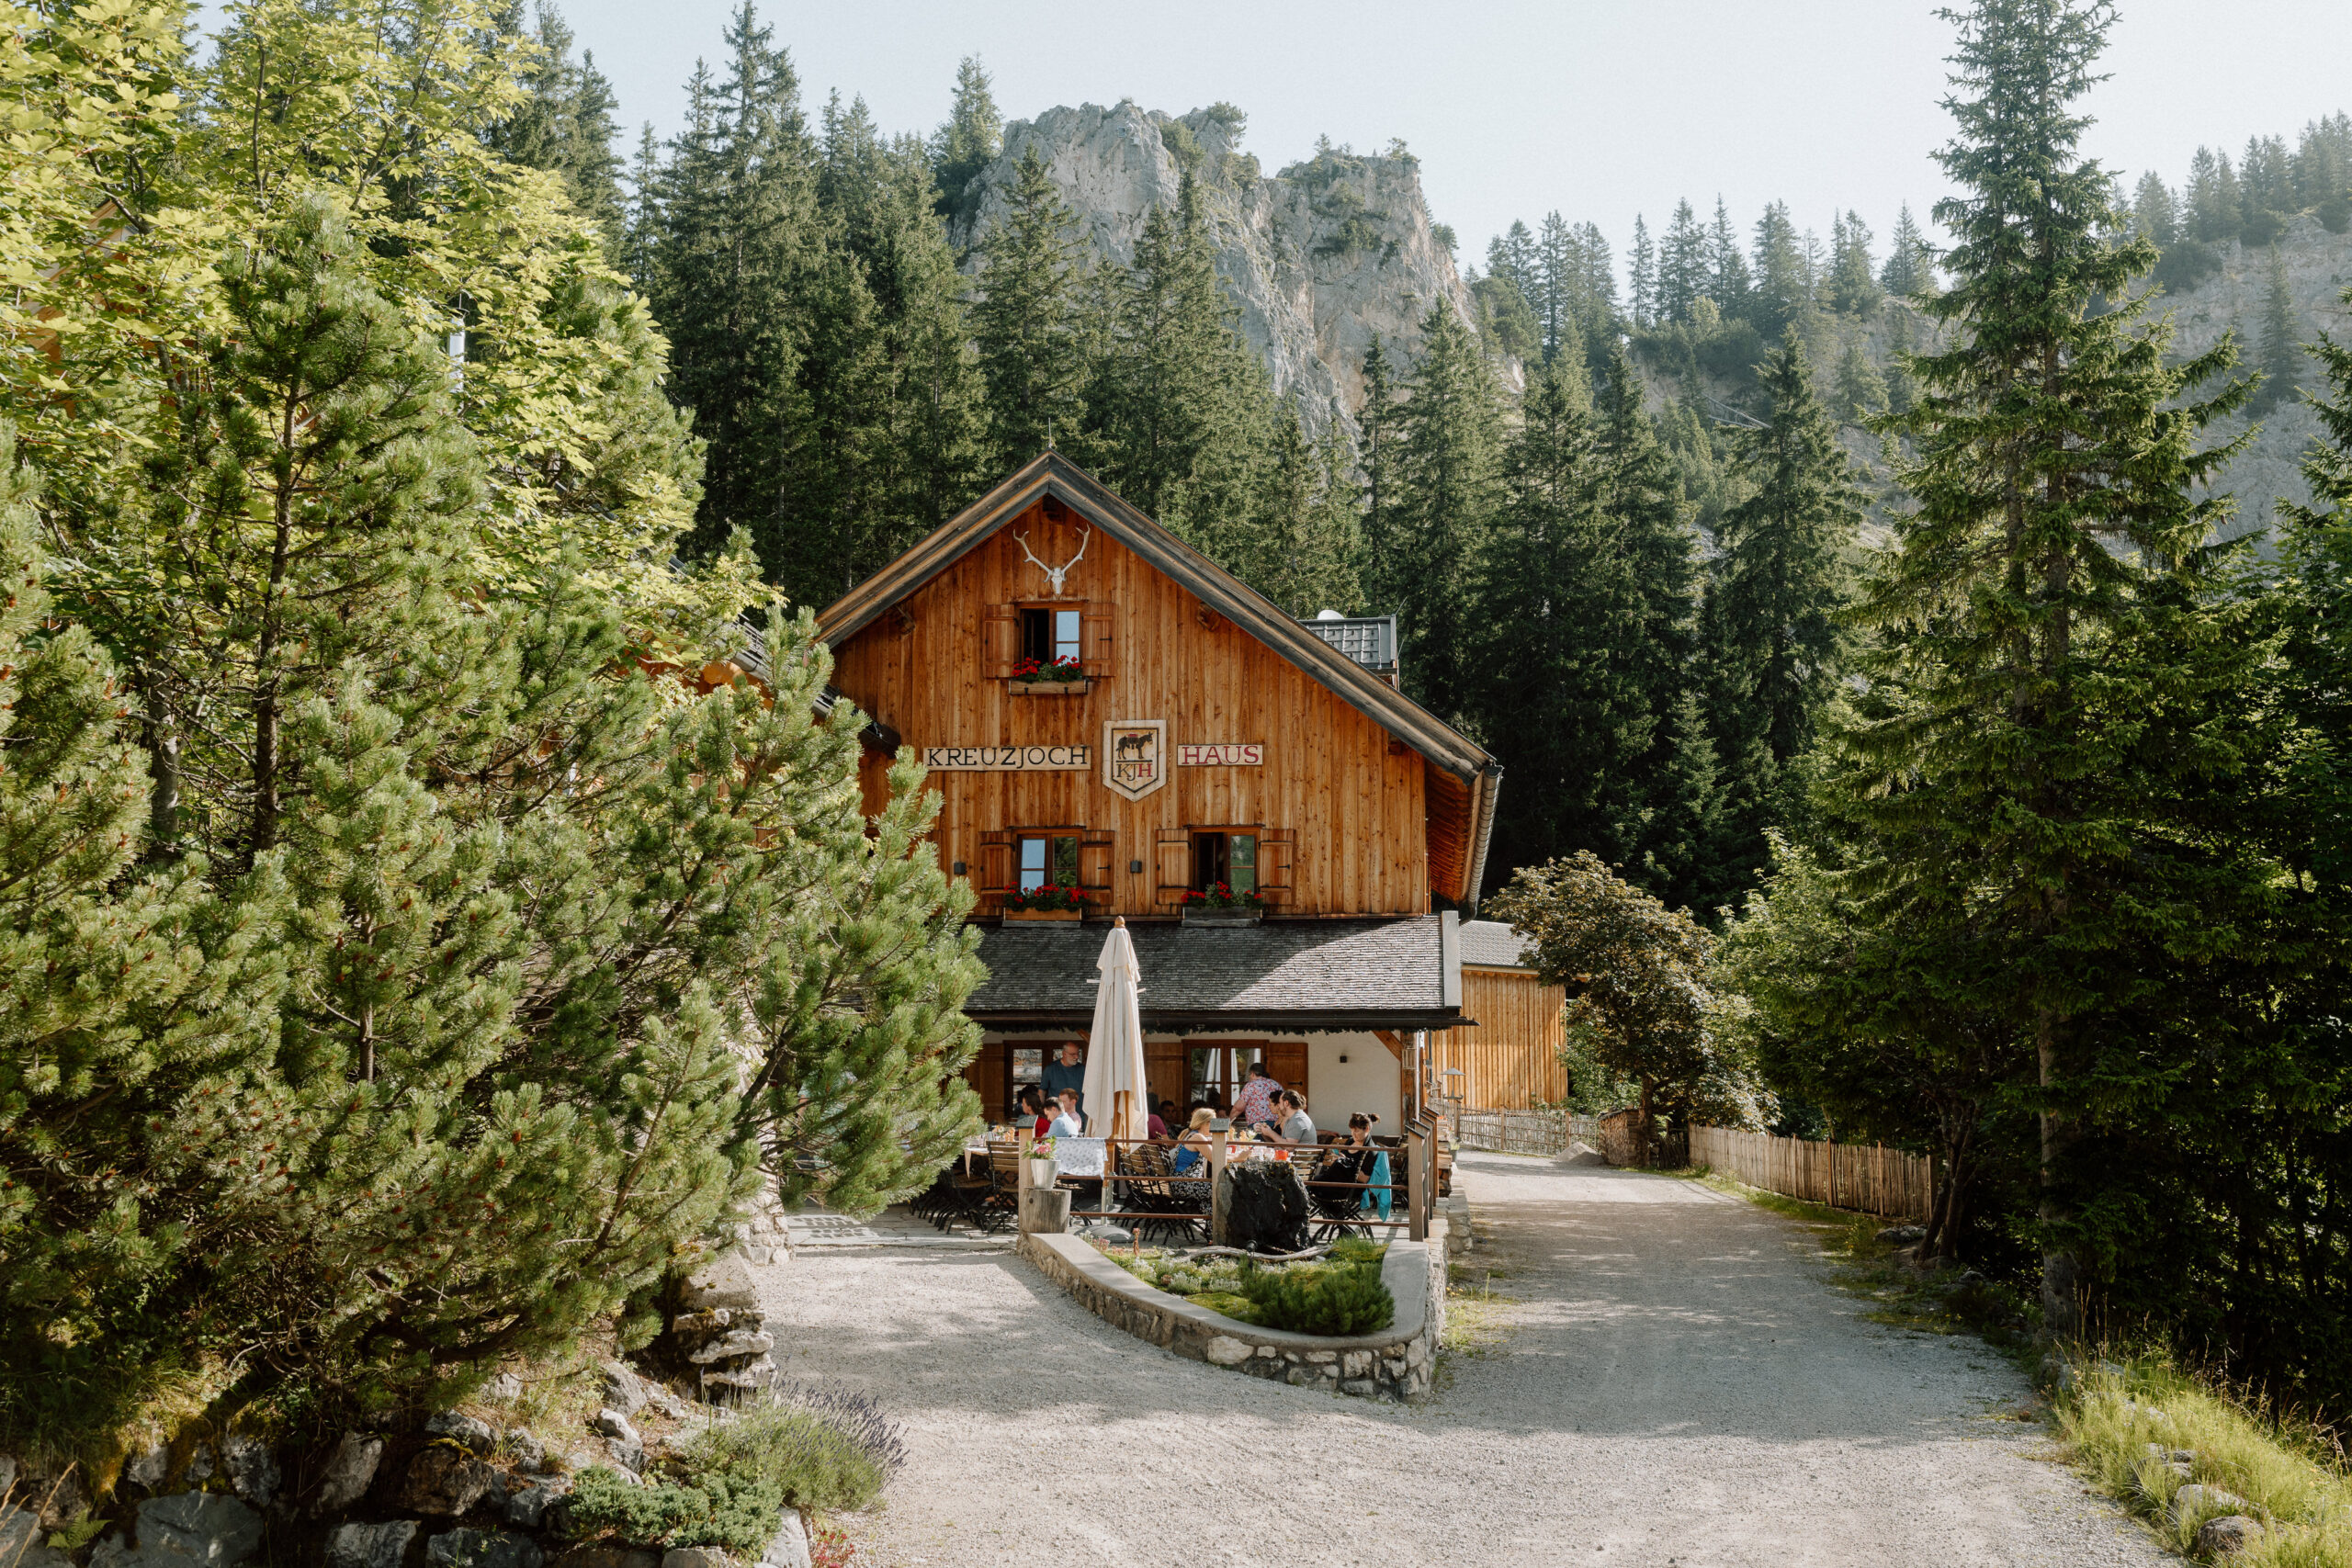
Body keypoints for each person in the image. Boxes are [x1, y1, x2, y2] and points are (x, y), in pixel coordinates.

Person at [1233, 1060, 1283, 1129]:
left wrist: (1229, 1121)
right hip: (1276, 1124)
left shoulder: (1250, 1086)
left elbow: (1238, 1108)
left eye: (1250, 1074)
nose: (1249, 1077)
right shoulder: (1276, 1084)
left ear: (1253, 1074)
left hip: (1257, 1125)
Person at [1039, 1042, 1087, 1115]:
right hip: (1056, 1116)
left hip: (1079, 1116)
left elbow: (1089, 1092)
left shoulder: (1083, 1070)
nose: (1076, 1057)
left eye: (1077, 1054)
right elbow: (1042, 1091)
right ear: (1064, 1054)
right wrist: (1042, 1111)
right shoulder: (1050, 1069)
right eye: (1073, 1054)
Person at [1171, 1107, 1216, 1175]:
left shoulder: (1190, 1134)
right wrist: (1236, 1158)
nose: (1215, 1126)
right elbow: (1215, 1159)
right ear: (1205, 1123)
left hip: (1180, 1180)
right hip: (1186, 1182)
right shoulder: (1198, 1137)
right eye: (1214, 1122)